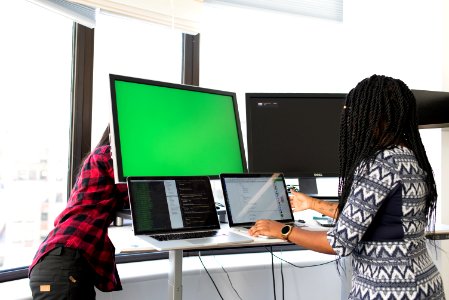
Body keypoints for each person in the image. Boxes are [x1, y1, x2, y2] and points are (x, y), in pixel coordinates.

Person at [249, 75, 446, 299]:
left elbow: (339, 242)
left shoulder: (378, 164)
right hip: (424, 285)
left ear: (372, 116)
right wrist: (313, 204)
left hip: (389, 290)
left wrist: (284, 231)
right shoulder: (409, 156)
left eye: (355, 111)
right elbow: (373, 219)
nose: (351, 119)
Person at [29, 125, 129, 299]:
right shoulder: (108, 154)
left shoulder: (98, 159)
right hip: (63, 263)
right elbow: (137, 195)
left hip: (60, 262)